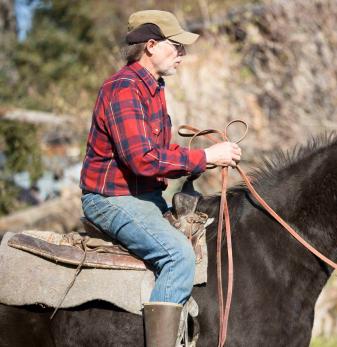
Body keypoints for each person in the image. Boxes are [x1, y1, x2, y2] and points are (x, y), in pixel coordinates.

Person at [79, 10, 241, 347]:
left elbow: (157, 150)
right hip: (111, 200)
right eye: (177, 45)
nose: (182, 53)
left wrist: (202, 162)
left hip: (143, 198)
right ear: (150, 45)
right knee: (178, 256)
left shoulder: (154, 87)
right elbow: (141, 158)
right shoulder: (122, 88)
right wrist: (204, 157)